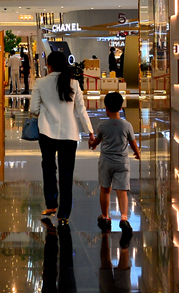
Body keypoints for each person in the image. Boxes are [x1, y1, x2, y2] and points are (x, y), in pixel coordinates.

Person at [30, 50, 93, 226]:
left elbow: (33, 109)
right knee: (67, 173)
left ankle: (51, 204)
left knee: (48, 168)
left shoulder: (40, 82)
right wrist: (90, 131)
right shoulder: (73, 83)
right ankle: (64, 213)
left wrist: (43, 111)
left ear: (49, 65)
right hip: (69, 134)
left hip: (46, 132)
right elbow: (81, 109)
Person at [89, 92, 140, 232]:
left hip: (106, 162)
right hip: (122, 162)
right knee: (122, 191)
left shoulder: (103, 125)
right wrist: (137, 153)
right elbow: (133, 143)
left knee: (105, 189)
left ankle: (105, 216)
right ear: (121, 107)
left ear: (106, 108)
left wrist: (92, 143)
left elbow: (97, 142)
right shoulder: (127, 125)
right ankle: (124, 218)